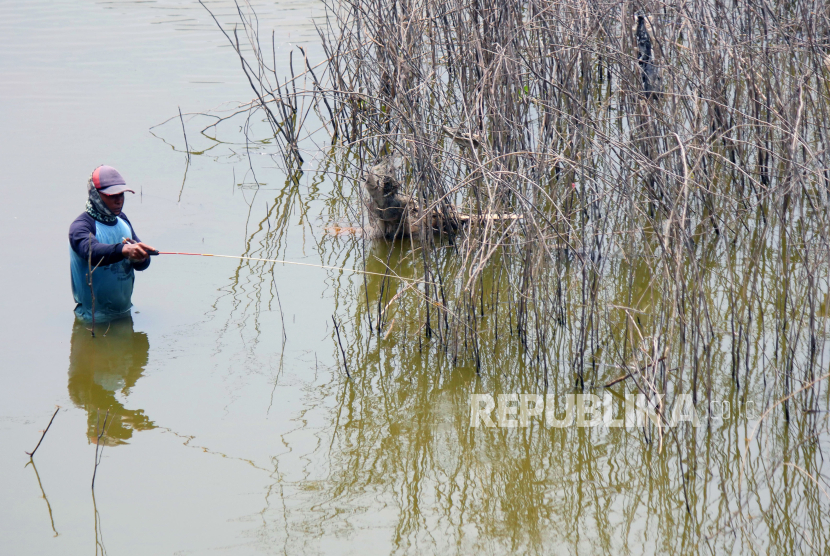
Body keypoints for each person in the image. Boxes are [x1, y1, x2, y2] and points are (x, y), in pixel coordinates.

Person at [69, 165, 155, 321]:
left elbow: (140, 263)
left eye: (121, 194)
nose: (119, 200)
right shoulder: (81, 226)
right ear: (95, 195)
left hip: (124, 314)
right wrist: (124, 250)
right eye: (111, 195)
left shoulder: (123, 220)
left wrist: (142, 258)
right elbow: (91, 253)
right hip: (92, 320)